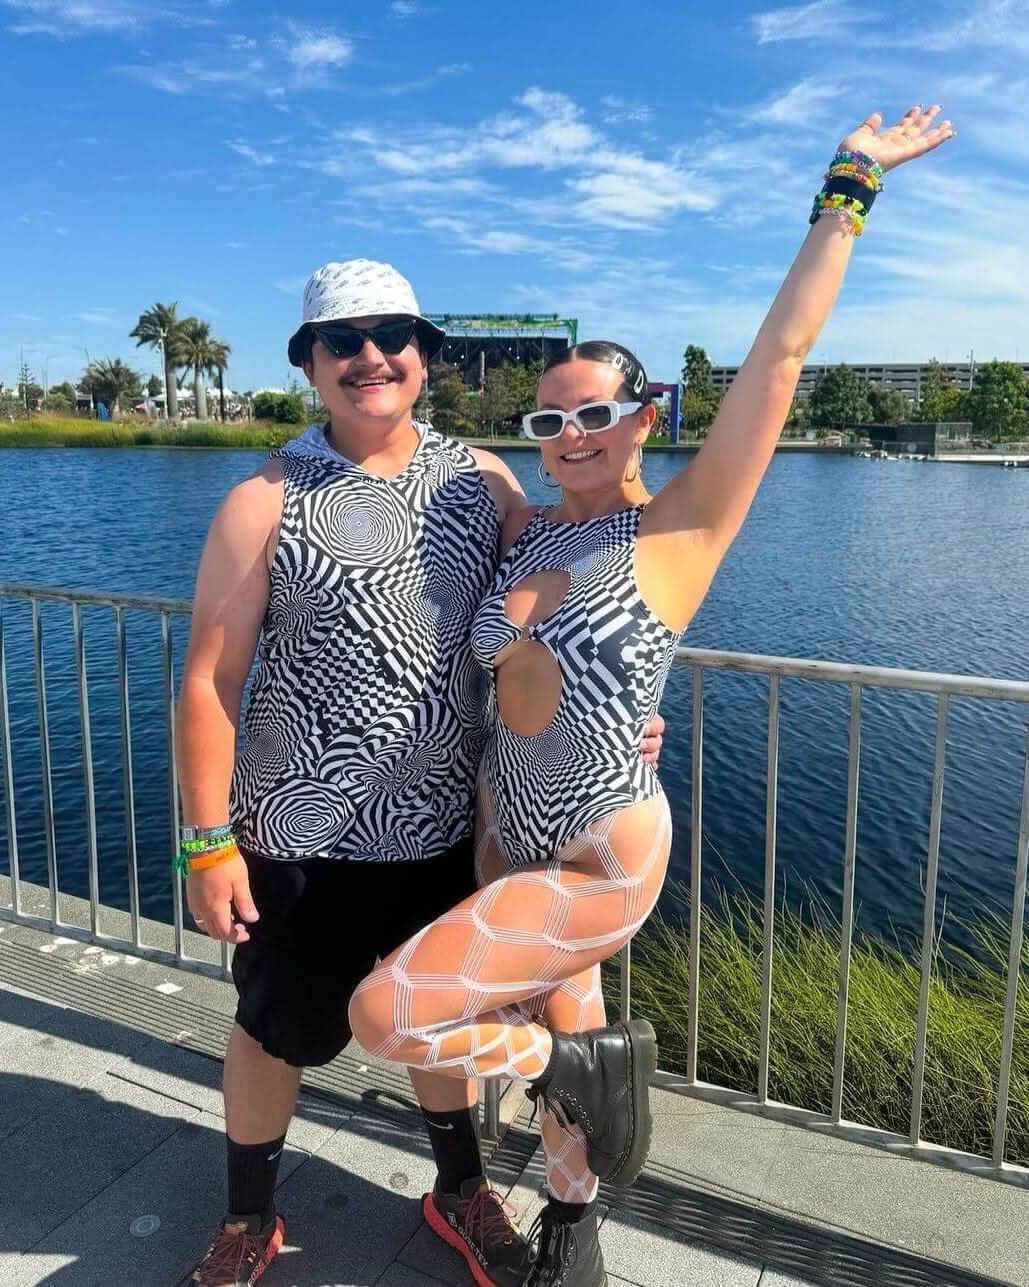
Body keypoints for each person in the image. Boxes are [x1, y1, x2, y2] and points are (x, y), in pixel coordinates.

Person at [346, 105, 955, 1287]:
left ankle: (584, 1074)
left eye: (595, 413)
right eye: (547, 418)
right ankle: (572, 1240)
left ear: (646, 416)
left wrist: (850, 187)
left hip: (594, 852)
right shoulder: (524, 537)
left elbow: (779, 356)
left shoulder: (676, 530)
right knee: (573, 1041)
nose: (570, 435)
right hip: (504, 838)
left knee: (388, 1017)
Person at [176, 257, 665, 1286]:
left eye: (392, 334)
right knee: (271, 1034)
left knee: (441, 1017)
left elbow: (569, 597)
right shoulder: (261, 500)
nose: (369, 357)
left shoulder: (483, 481)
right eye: (341, 340)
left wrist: (620, 718)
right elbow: (212, 681)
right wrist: (210, 841)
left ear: (425, 357)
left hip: (447, 824)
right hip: (296, 831)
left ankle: (459, 1191)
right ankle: (245, 1218)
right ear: (310, 362)